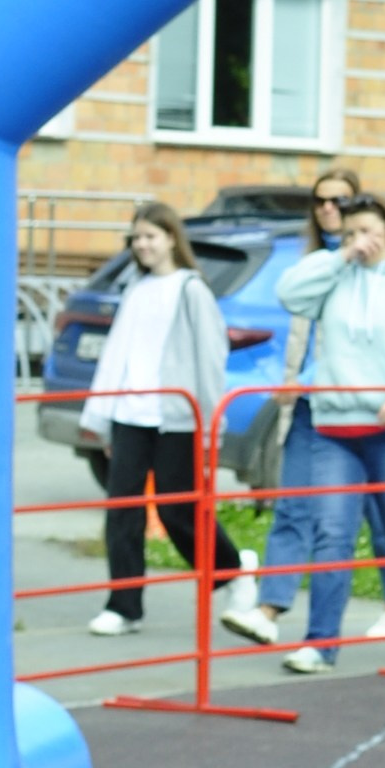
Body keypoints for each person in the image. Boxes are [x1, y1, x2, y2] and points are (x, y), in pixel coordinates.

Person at [222, 167, 385, 648]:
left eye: (339, 201)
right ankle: (269, 608)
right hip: (310, 405)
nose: (328, 209)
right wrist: (290, 379)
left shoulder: (376, 268)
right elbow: (294, 318)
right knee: (294, 505)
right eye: (320, 201)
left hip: (361, 407)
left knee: (381, 511)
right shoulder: (316, 262)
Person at [273, 192, 385, 675]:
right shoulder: (334, 276)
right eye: (350, 232)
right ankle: (320, 643)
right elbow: (289, 294)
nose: (360, 241)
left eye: (369, 230)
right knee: (331, 534)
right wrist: (338, 257)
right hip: (336, 427)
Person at [80, 201, 256, 638]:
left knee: (178, 509)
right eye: (137, 238)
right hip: (129, 414)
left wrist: (210, 423)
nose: (143, 245)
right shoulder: (135, 289)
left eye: (151, 237)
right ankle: (124, 605)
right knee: (122, 510)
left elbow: (209, 357)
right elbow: (116, 354)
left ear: (172, 239)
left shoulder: (190, 289)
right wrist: (101, 415)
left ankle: (232, 570)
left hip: (177, 417)